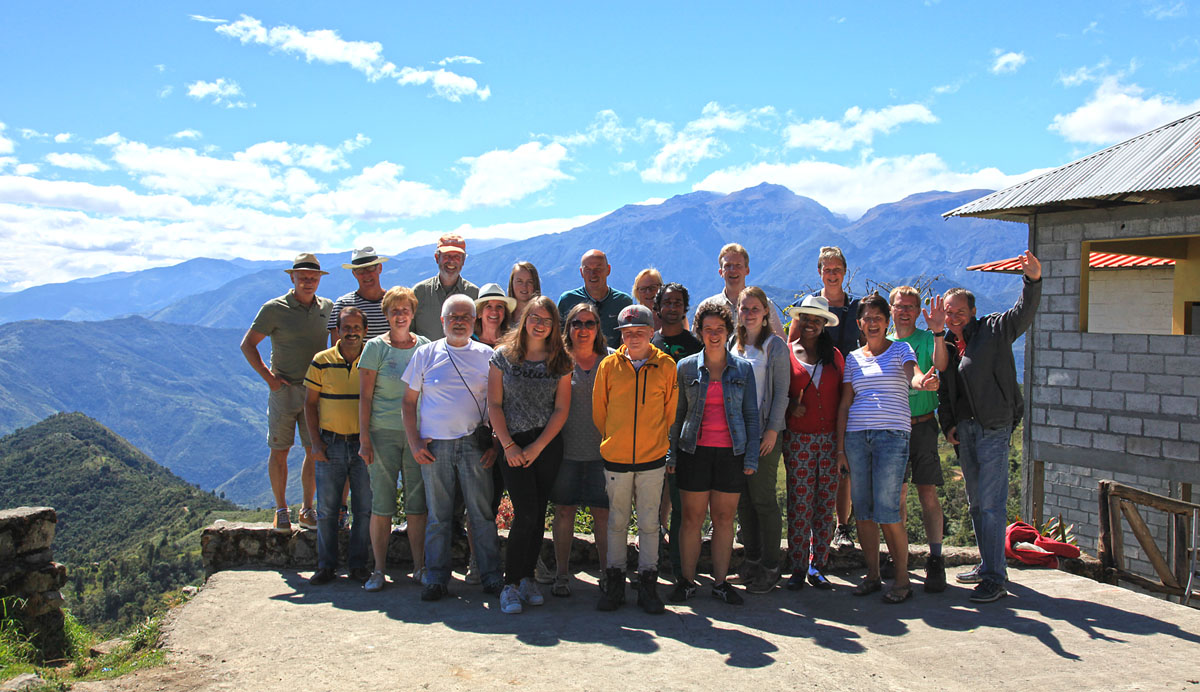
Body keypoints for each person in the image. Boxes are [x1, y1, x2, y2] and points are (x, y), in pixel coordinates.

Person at [939, 250, 1042, 604]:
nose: (954, 317)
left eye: (960, 312)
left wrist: (1031, 281)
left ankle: (996, 578)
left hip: (994, 428)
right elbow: (946, 389)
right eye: (949, 312)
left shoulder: (994, 330)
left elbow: (1023, 314)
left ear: (973, 313)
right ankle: (987, 565)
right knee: (975, 503)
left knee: (992, 504)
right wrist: (949, 424)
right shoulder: (948, 344)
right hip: (964, 431)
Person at [834, 293, 940, 604]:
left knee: (889, 511)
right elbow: (845, 404)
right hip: (856, 437)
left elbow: (914, 376)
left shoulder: (901, 350)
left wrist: (924, 382)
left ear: (886, 320)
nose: (872, 322)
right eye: (867, 318)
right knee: (864, 511)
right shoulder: (853, 359)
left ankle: (903, 580)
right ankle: (873, 575)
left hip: (892, 438)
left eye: (878, 317)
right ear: (860, 323)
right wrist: (840, 448)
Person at [401, 295, 503, 601]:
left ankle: (491, 576)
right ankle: (436, 578)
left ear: (474, 322)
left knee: (482, 515)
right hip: (435, 446)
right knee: (439, 516)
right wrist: (414, 441)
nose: (459, 321)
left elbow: (499, 404)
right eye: (453, 316)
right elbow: (408, 402)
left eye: (465, 316)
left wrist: (496, 444)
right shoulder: (425, 354)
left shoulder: (488, 356)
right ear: (443, 321)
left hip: (476, 443)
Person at [668, 300, 759, 605]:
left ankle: (720, 583)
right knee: (691, 519)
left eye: (719, 329)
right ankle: (687, 581)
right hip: (694, 451)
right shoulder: (686, 367)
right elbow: (677, 415)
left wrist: (750, 458)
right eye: (708, 329)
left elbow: (751, 415)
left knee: (724, 519)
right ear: (700, 332)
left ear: (728, 331)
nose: (714, 334)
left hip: (731, 454)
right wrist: (672, 454)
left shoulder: (743, 369)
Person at [487, 297, 573, 614]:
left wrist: (537, 447)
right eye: (534, 317)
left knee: (537, 513)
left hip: (546, 445)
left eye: (547, 320)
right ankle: (510, 584)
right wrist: (509, 446)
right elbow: (494, 404)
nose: (540, 324)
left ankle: (527, 579)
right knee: (525, 512)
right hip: (512, 444)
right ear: (524, 319)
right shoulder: (503, 358)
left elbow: (562, 408)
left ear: (554, 326)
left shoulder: (560, 361)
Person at [592, 304, 676, 614]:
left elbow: (670, 411)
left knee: (650, 523)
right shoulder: (608, 366)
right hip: (616, 457)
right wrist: (615, 438)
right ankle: (614, 583)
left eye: (640, 332)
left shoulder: (666, 366)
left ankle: (648, 584)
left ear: (651, 333)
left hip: (652, 458)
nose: (634, 338)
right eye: (628, 333)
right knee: (616, 521)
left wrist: (654, 441)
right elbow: (600, 412)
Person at [239, 253, 332, 533]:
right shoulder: (274, 308)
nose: (308, 282)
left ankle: (306, 509)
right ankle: (281, 510)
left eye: (313, 278)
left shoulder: (326, 308)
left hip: (315, 391)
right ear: (292, 277)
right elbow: (248, 345)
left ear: (319, 280)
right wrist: (270, 379)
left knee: (313, 450)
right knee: (279, 449)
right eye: (302, 277)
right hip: (284, 390)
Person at [358, 287, 431, 592]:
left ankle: (420, 567)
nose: (400, 316)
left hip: (417, 434)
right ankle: (378, 569)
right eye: (394, 311)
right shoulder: (375, 348)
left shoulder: (425, 346)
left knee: (417, 504)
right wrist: (364, 439)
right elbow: (364, 396)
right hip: (382, 433)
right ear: (385, 315)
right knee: (382, 503)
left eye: (405, 310)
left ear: (413, 313)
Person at [887, 286, 949, 594]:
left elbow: (943, 363)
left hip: (923, 426)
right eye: (900, 306)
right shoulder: (883, 343)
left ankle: (935, 558)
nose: (906, 311)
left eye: (911, 306)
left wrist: (939, 332)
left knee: (927, 493)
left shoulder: (926, 339)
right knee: (897, 497)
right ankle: (900, 557)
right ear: (892, 308)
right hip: (894, 428)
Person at [304, 307, 372, 585]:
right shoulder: (321, 361)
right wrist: (315, 444)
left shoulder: (372, 358)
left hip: (364, 443)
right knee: (327, 509)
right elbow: (309, 404)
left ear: (365, 331)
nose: (352, 332)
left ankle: (358, 565)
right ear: (338, 330)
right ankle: (326, 566)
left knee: (364, 507)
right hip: (330, 442)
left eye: (357, 327)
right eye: (347, 327)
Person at [550, 303, 614, 597]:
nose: (584, 329)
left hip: (603, 453)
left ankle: (607, 573)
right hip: (565, 453)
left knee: (603, 515)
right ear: (569, 327)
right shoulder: (557, 361)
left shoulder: (612, 361)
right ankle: (562, 575)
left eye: (590, 323)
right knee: (564, 511)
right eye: (577, 323)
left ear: (598, 328)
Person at [782, 295, 844, 591]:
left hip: (830, 439)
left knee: (824, 504)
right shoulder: (786, 355)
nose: (810, 324)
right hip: (798, 439)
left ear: (823, 324)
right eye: (805, 318)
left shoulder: (834, 357)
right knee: (800, 502)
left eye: (816, 319)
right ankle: (797, 565)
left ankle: (818, 563)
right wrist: (791, 405)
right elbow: (776, 394)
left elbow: (846, 398)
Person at [730, 286, 789, 594]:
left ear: (766, 312)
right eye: (744, 308)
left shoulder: (775, 346)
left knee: (763, 498)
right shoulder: (733, 344)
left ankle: (770, 564)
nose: (750, 313)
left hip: (764, 433)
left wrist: (772, 430)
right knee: (743, 499)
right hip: (735, 433)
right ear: (737, 312)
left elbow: (782, 393)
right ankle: (751, 559)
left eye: (755, 308)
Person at [808, 245, 860, 552]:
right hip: (817, 394)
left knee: (843, 463)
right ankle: (817, 525)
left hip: (849, 394)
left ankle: (842, 527)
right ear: (819, 272)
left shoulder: (857, 308)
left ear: (845, 272)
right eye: (826, 270)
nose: (832, 275)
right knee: (814, 465)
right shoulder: (812, 306)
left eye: (837, 270)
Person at [651, 282, 703, 581]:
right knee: (652, 500)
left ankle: (679, 563)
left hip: (684, 434)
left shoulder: (695, 345)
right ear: (658, 308)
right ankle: (653, 558)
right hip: (652, 432)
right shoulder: (650, 342)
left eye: (677, 303)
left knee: (681, 499)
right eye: (667, 302)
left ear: (685, 308)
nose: (672, 307)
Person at [698, 243, 785, 337]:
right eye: (728, 266)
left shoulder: (763, 304)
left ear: (747, 270)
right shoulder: (707, 306)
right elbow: (697, 342)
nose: (733, 270)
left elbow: (781, 342)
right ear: (721, 272)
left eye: (738, 265)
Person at [557, 249, 634, 347]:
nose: (593, 274)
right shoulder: (567, 300)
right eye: (587, 269)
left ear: (608, 270)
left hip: (613, 360)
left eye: (598, 269)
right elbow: (558, 337)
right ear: (581, 272)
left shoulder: (623, 302)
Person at [412, 234, 480, 340]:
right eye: (446, 256)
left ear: (463, 260)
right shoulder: (419, 292)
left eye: (456, 256)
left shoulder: (474, 294)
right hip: (426, 356)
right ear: (437, 258)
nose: (451, 261)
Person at [328, 247, 389, 342]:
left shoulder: (393, 302)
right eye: (360, 270)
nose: (366, 274)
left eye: (370, 268)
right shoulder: (343, 304)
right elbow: (336, 348)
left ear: (380, 268)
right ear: (354, 273)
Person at [475, 283, 514, 347]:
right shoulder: (469, 343)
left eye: (499, 306)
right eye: (489, 306)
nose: (494, 311)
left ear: (505, 313)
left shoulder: (513, 343)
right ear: (479, 313)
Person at [507, 261, 541, 327]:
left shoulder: (543, 316)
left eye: (529, 282)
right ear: (512, 283)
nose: (524, 286)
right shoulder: (502, 315)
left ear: (535, 285)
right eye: (519, 281)